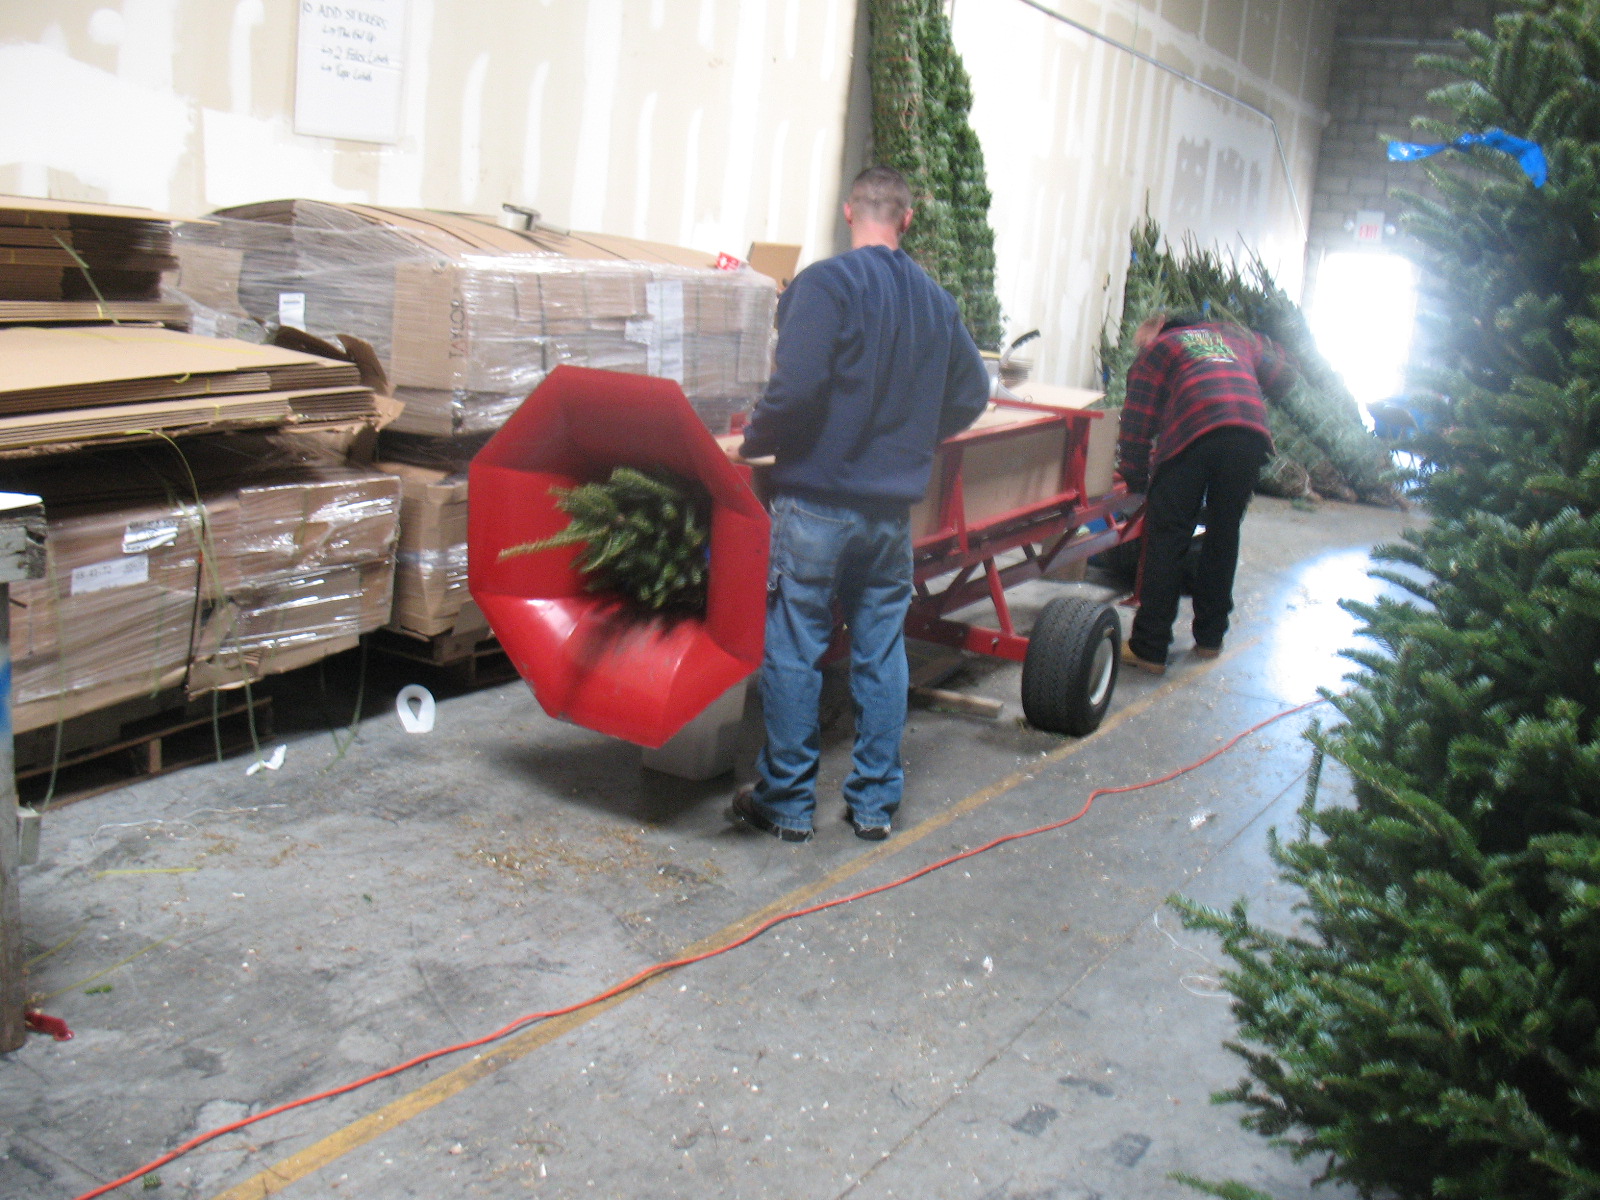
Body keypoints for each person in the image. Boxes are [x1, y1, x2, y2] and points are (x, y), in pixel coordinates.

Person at [727, 165, 990, 843]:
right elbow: (972, 394)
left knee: (793, 649)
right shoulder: (937, 302)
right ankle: (874, 803)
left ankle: (786, 803)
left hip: (815, 504)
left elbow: (797, 385)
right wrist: (912, 439)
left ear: (849, 212)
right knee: (880, 651)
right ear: (906, 219)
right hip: (888, 517)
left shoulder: (825, 284)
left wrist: (755, 441)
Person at [1116, 311, 1296, 675]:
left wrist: (1134, 477)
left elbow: (1137, 420)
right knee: (1223, 532)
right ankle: (1210, 640)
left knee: (1168, 537)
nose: (1141, 346)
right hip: (1248, 435)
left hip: (1194, 432)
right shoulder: (1235, 338)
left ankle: (1150, 648)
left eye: (1142, 339)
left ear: (1159, 326)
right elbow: (1285, 375)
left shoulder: (1162, 347)